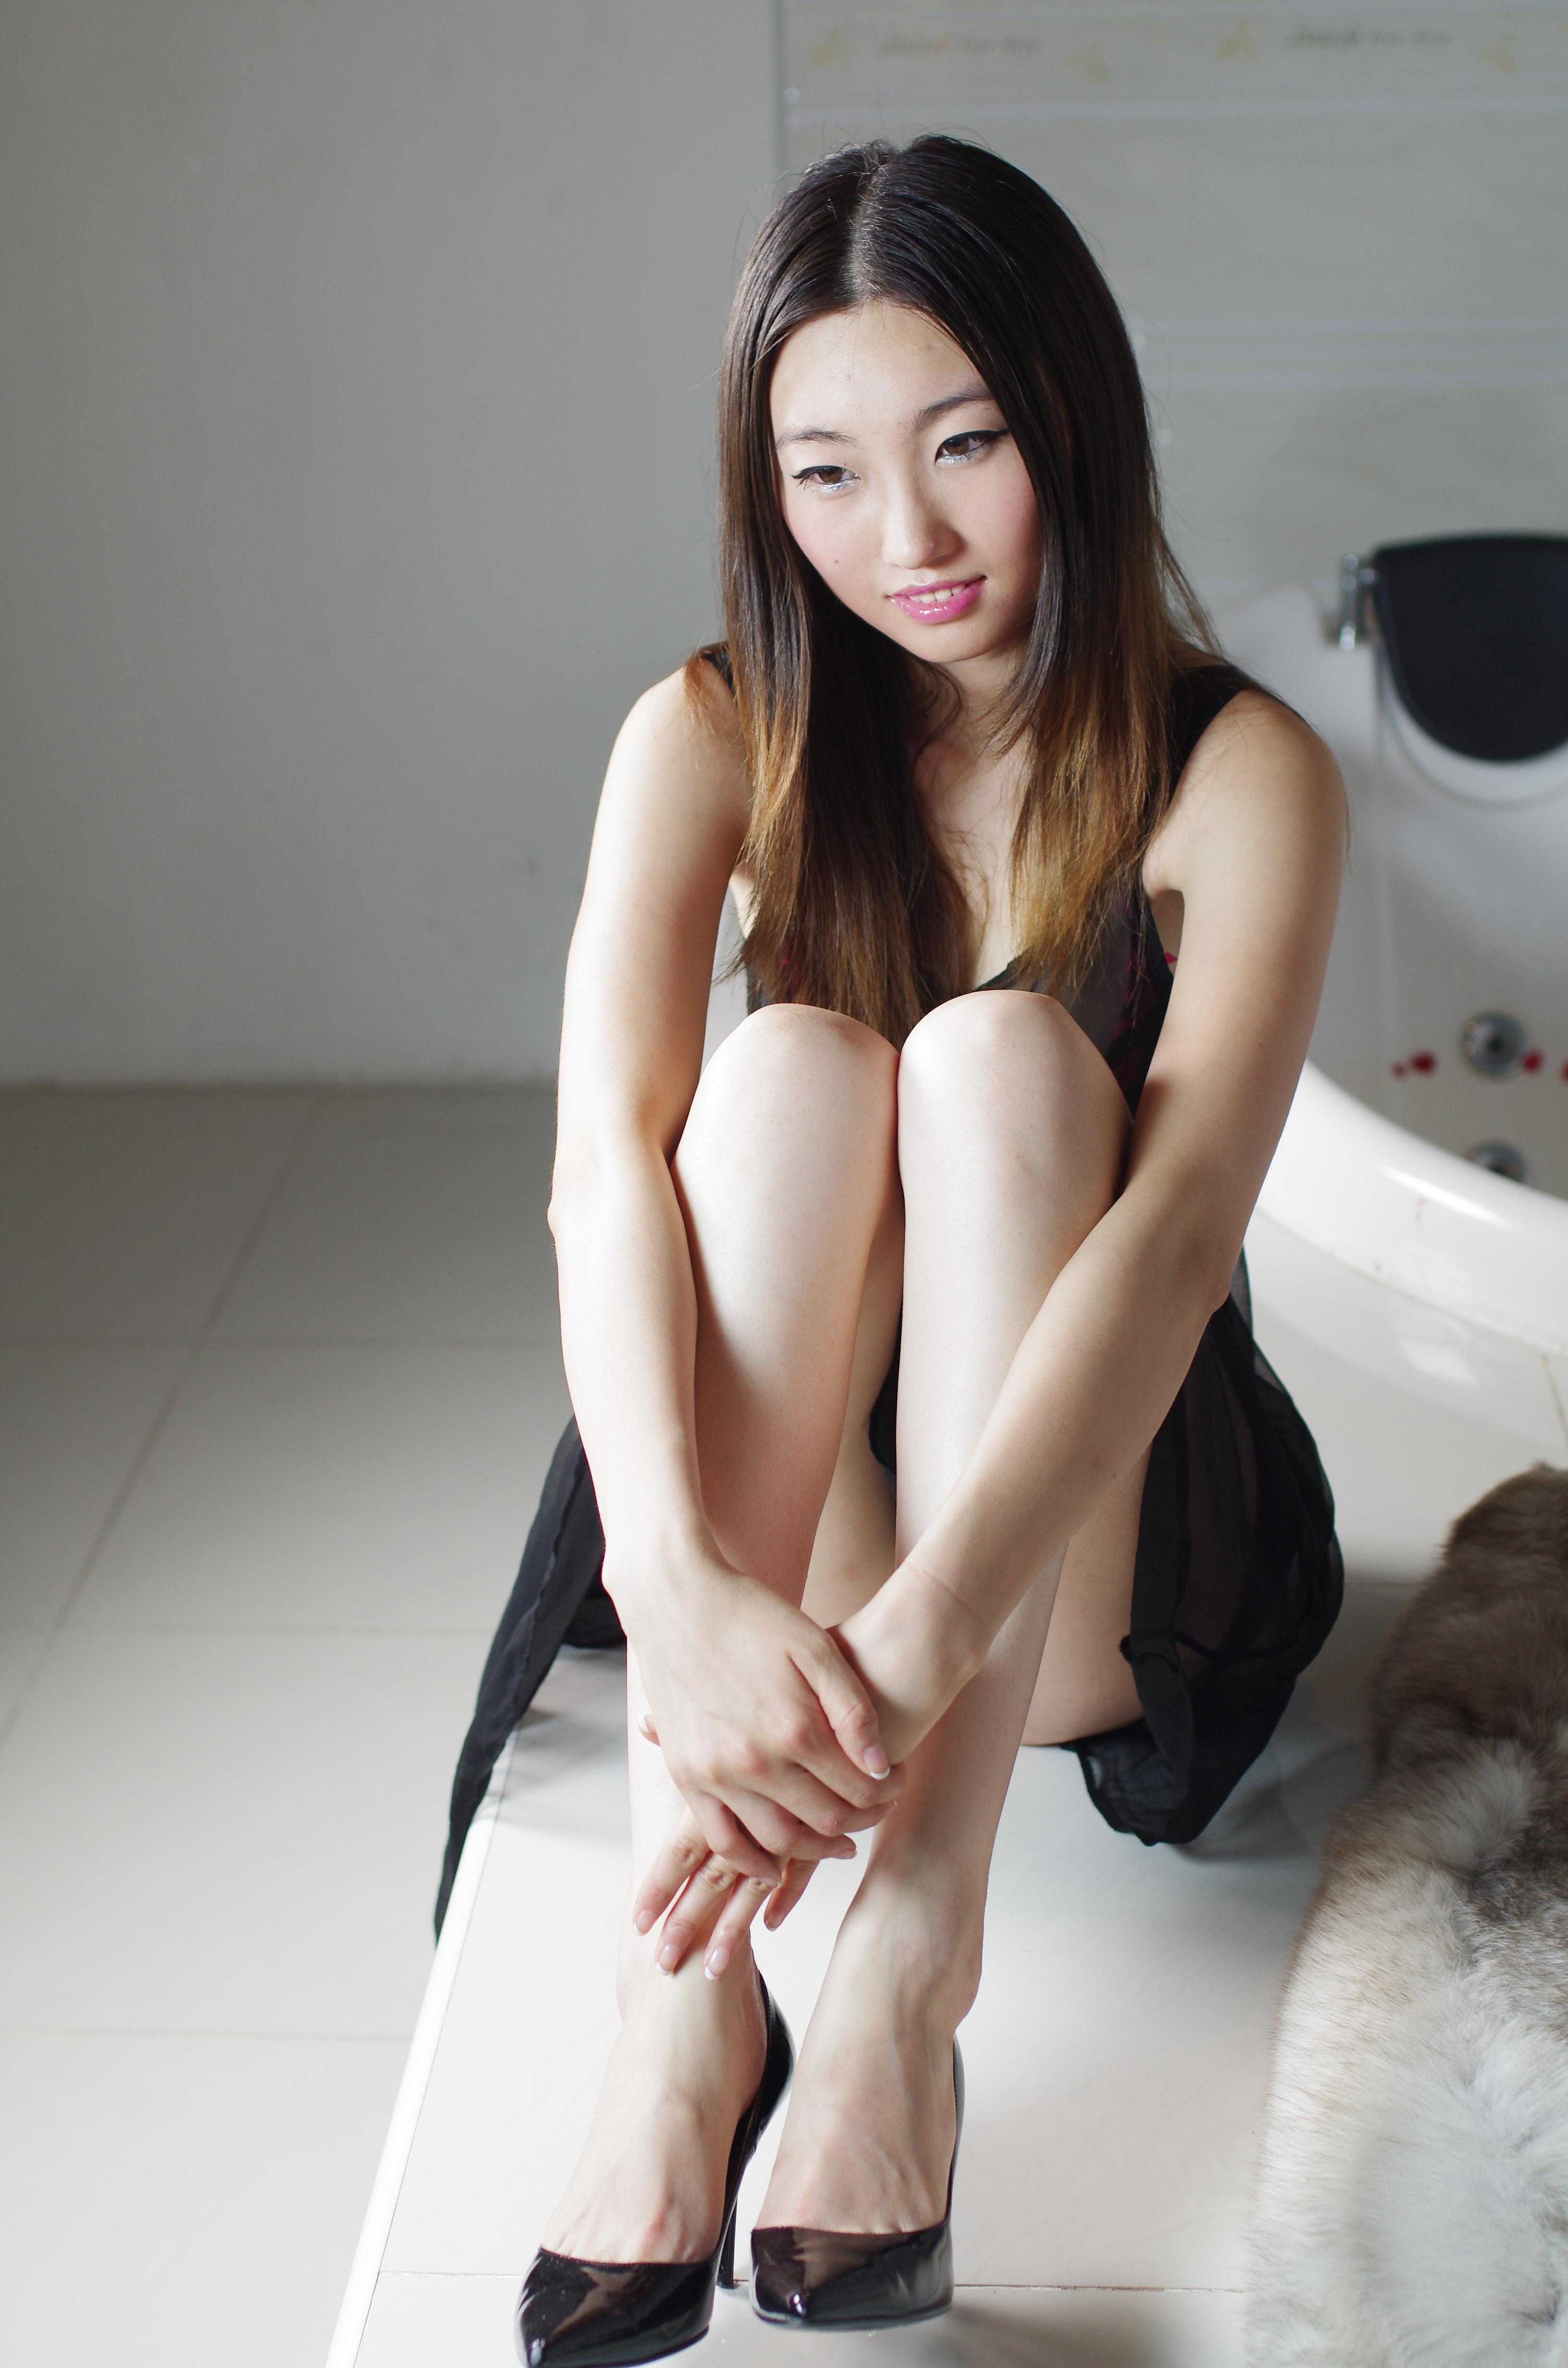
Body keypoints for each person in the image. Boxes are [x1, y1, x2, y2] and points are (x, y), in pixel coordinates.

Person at [450, 134, 1348, 2366]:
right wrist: (675, 1578)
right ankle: (684, 2005)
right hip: (804, 1534)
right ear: (764, 491)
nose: (910, 540)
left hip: (1081, 1559)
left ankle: (906, 1970)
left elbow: (1178, 1239)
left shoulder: (1238, 769)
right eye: (828, 474)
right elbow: (600, 1175)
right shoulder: (709, 730)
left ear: (1073, 421)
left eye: (966, 446)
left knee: (1007, 1066)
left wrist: (935, 1624)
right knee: (777, 1081)